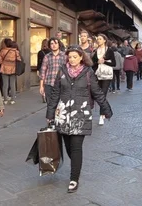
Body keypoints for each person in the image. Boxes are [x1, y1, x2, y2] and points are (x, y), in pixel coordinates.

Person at [46, 45, 113, 193]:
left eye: (75, 57)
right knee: (69, 147)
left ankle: (73, 179)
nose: (72, 59)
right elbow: (56, 93)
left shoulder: (88, 72)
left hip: (81, 114)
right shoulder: (62, 71)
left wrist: (106, 109)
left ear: (81, 57)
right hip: (63, 114)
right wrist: (50, 113)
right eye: (70, 57)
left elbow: (97, 92)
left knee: (76, 147)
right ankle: (76, 165)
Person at [92, 34, 116, 126]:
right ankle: (107, 110)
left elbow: (114, 63)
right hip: (98, 75)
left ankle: (102, 115)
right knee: (97, 95)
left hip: (107, 76)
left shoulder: (109, 50)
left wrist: (104, 61)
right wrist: (97, 62)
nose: (98, 40)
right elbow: (93, 64)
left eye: (100, 39)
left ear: (105, 40)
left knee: (103, 94)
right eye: (97, 39)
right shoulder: (96, 51)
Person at [40, 38, 66, 107]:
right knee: (50, 104)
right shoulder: (47, 57)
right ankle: (50, 117)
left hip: (61, 84)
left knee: (61, 104)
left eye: (55, 43)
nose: (54, 45)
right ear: (49, 45)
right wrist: (41, 86)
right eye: (52, 43)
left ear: (59, 44)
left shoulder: (64, 56)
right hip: (49, 83)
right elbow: (43, 71)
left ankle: (58, 117)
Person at [0, 38, 21, 104]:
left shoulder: (2, 51)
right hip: (13, 69)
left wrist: (4, 63)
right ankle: (13, 99)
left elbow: (0, 61)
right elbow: (19, 59)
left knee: (5, 84)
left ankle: (5, 99)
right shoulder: (15, 51)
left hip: (4, 68)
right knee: (12, 84)